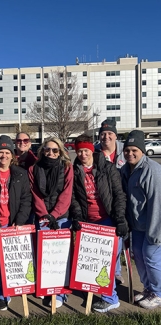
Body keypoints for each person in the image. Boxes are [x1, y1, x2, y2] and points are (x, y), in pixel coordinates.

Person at [70, 134, 128, 313]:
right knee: (94, 261)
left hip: (108, 218)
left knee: (107, 261)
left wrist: (119, 219)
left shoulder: (108, 168)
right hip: (89, 222)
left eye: (86, 150)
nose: (82, 154)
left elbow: (118, 195)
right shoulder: (75, 170)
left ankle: (111, 298)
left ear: (92, 150)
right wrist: (78, 217)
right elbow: (74, 198)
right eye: (79, 151)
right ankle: (104, 293)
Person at [0, 135, 32, 311]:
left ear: (12, 155)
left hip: (11, 226)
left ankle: (5, 295)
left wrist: (19, 221)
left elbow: (26, 199)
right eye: (0, 152)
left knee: (9, 264)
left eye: (7, 152)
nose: (3, 156)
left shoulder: (20, 174)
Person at [28, 137, 73, 308]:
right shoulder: (34, 168)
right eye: (47, 149)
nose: (51, 153)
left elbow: (67, 194)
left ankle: (60, 293)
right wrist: (46, 216)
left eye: (55, 150)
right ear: (42, 150)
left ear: (60, 151)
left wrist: (55, 214)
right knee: (45, 258)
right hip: (43, 218)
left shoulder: (66, 167)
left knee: (61, 258)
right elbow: (35, 195)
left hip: (61, 217)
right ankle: (47, 289)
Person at [121, 130, 161, 309]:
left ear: (142, 150)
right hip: (137, 225)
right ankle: (149, 289)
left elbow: (157, 202)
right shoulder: (125, 169)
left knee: (151, 258)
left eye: (134, 150)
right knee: (138, 256)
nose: (130, 153)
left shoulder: (151, 170)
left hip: (153, 226)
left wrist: (155, 233)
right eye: (127, 150)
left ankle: (159, 293)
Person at [95, 119, 126, 285]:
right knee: (107, 242)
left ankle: (116, 272)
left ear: (115, 135)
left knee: (119, 240)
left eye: (109, 134)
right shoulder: (94, 153)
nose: (106, 137)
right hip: (103, 203)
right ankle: (106, 272)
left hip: (122, 199)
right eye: (103, 134)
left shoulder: (125, 152)